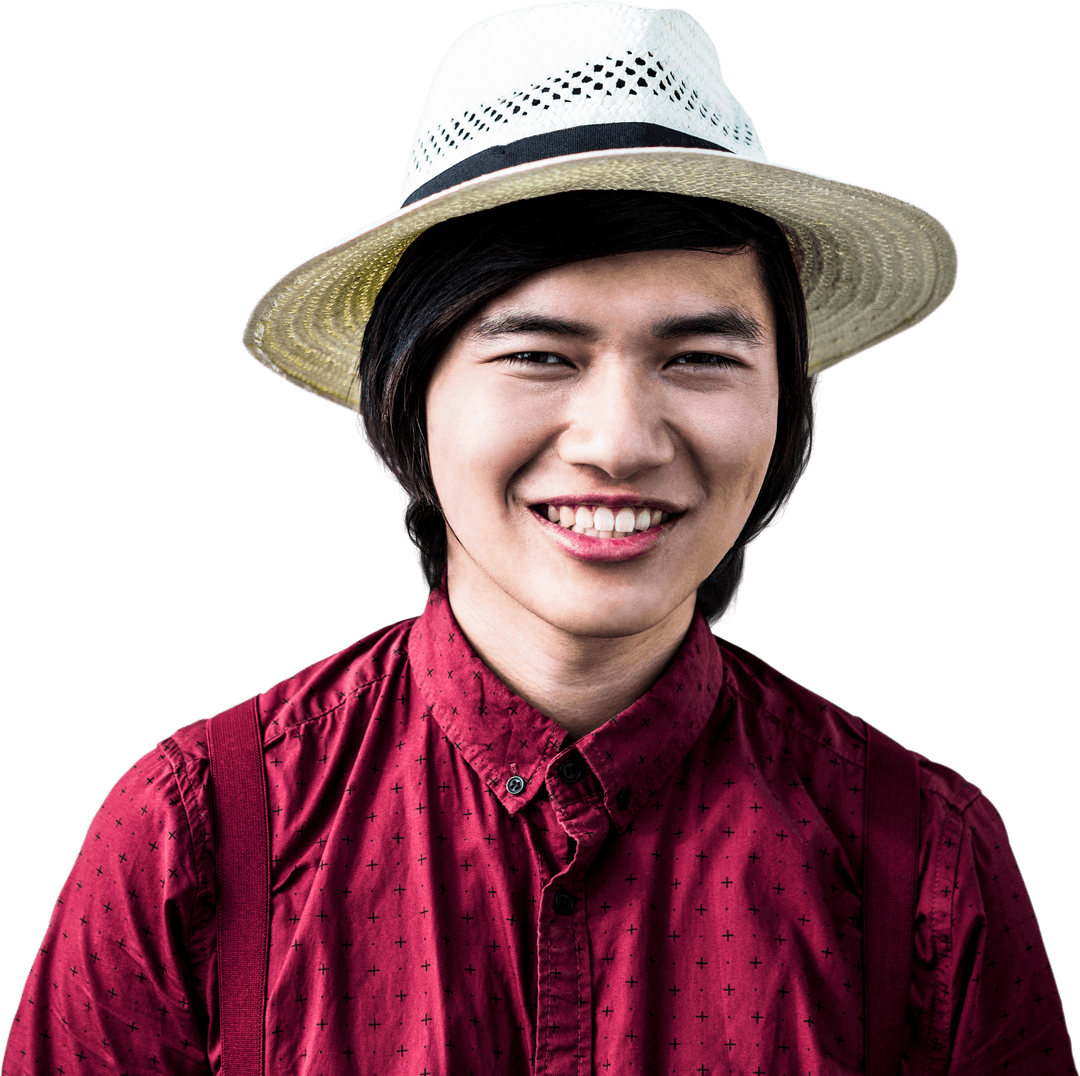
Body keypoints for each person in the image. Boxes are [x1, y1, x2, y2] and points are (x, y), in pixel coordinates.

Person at [3, 3, 1075, 1074]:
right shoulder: (197, 835)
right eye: (541, 355)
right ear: (410, 395)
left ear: (786, 407)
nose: (618, 442)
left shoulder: (922, 856)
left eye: (698, 357)